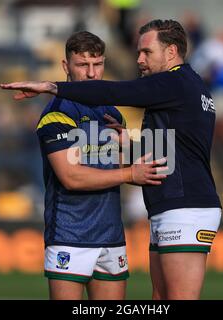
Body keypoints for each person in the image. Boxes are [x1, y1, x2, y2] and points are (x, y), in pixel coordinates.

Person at [1, 19, 222, 300]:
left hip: (185, 207)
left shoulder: (174, 82)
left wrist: (49, 86)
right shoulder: (187, 85)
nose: (139, 59)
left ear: (171, 52)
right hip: (171, 206)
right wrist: (128, 145)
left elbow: (114, 92)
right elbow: (171, 150)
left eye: (146, 52)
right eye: (138, 52)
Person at [21, 31, 167, 300]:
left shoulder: (110, 111)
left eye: (97, 64)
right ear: (66, 67)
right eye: (82, 65)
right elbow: (71, 177)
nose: (91, 73)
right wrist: (129, 172)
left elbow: (127, 168)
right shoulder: (57, 113)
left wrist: (132, 149)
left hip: (111, 235)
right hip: (70, 235)